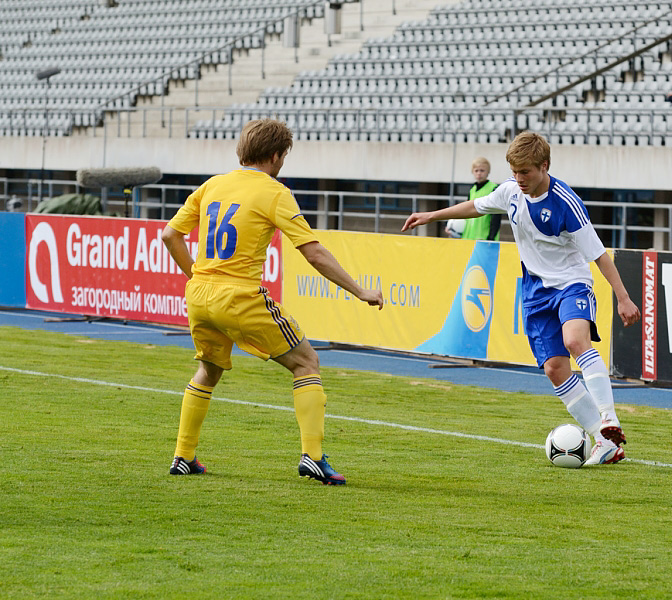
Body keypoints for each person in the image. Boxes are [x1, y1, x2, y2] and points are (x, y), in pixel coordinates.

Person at [161, 119, 384, 485]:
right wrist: (360, 290)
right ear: (277, 155)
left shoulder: (212, 185)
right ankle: (312, 457)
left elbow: (171, 235)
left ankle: (183, 456)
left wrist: (196, 276)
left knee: (209, 370)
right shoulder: (274, 192)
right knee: (306, 362)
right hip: (239, 294)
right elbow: (313, 253)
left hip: (200, 294)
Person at [402, 132, 641, 466]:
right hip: (534, 292)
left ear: (544, 166)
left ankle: (608, 418)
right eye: (514, 172)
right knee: (555, 369)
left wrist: (623, 298)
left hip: (571, 283)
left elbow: (599, 254)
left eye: (525, 172)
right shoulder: (510, 191)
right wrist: (431, 215)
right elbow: (475, 206)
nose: (519, 179)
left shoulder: (565, 202)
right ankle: (604, 443)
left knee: (575, 341)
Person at [453, 157, 501, 240]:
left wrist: (491, 237)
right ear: (472, 172)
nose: (479, 173)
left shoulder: (494, 188)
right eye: (476, 170)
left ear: (488, 172)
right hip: (468, 237)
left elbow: (496, 216)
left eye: (482, 170)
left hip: (484, 238)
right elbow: (465, 211)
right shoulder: (472, 190)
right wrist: (452, 226)